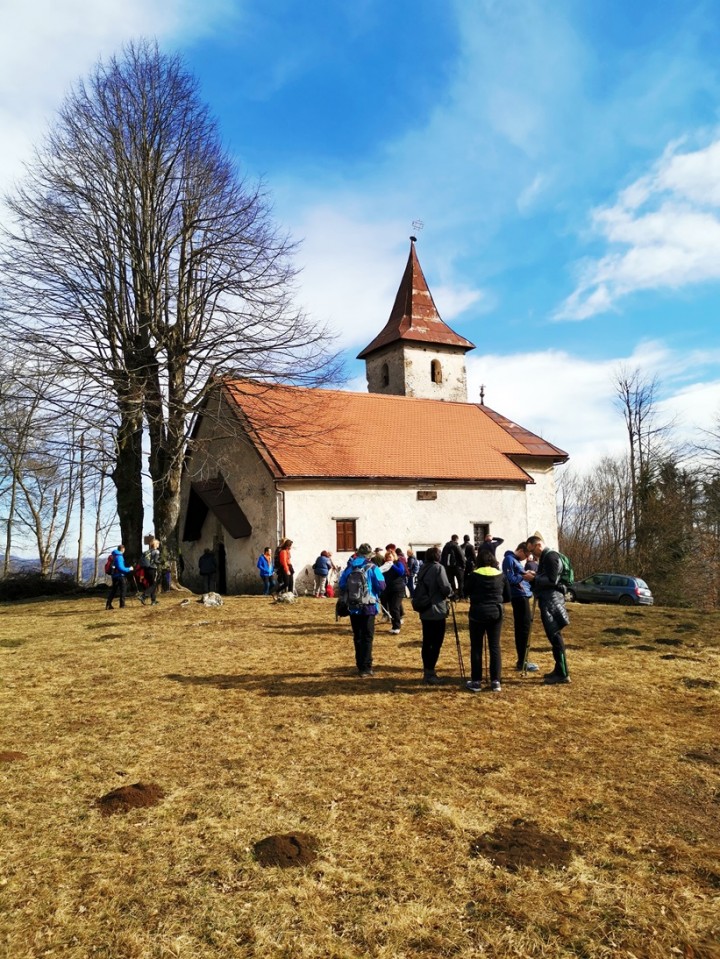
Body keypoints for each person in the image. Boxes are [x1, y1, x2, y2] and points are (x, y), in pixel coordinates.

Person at [525, 535, 571, 684]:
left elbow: (552, 580)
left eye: (533, 550)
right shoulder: (545, 558)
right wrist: (537, 576)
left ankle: (563, 673)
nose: (533, 555)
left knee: (555, 636)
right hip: (549, 599)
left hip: (553, 601)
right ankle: (559, 669)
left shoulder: (550, 557)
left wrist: (534, 579)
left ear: (538, 545)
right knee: (553, 637)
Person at [338, 543, 386, 677]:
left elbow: (342, 585)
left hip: (353, 606)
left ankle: (359, 665)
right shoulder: (373, 568)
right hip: (369, 605)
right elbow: (382, 586)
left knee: (357, 636)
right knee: (367, 637)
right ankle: (366, 667)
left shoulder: (350, 567)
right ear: (369, 556)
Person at [465, 549, 507, 692]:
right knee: (494, 647)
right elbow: (507, 595)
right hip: (496, 612)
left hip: (477, 613)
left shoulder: (474, 575)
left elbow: (466, 591)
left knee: (476, 647)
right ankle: (496, 681)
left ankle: (476, 681)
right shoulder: (501, 575)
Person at [413, 545, 452, 684]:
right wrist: (451, 592)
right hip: (436, 609)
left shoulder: (423, 568)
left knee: (427, 641)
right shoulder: (438, 568)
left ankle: (427, 670)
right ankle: (431, 672)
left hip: (425, 609)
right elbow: (445, 587)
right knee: (436, 642)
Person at [502, 543, 539, 672]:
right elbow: (509, 579)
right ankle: (522, 661)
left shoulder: (516, 561)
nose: (527, 558)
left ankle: (523, 659)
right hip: (518, 596)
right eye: (527, 555)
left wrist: (526, 572)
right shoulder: (509, 559)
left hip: (524, 595)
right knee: (523, 629)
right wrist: (523, 576)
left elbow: (518, 574)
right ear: (521, 551)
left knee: (525, 628)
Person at [382, 547, 407, 635]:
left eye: (391, 556)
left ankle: (397, 626)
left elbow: (401, 572)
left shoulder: (398, 563)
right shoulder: (384, 565)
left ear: (394, 557)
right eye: (388, 557)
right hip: (388, 589)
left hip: (398, 589)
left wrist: (392, 565)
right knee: (391, 608)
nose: (389, 558)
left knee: (394, 607)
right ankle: (394, 625)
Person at [105, 545, 134, 609]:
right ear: (123, 549)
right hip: (120, 576)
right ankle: (122, 605)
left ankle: (108, 604)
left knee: (114, 590)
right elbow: (121, 568)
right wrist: (129, 569)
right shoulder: (119, 556)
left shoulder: (114, 556)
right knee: (123, 589)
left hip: (114, 575)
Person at [441, 534, 466, 598]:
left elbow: (442, 556)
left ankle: (453, 595)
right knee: (460, 581)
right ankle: (461, 595)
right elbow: (461, 556)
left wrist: (444, 566)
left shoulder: (446, 546)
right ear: (457, 539)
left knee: (451, 581)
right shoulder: (456, 546)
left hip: (448, 567)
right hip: (457, 567)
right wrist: (463, 565)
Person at [139, 538, 161, 606]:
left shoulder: (147, 551)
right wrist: (161, 562)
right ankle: (143, 596)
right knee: (154, 585)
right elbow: (155, 561)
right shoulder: (156, 551)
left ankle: (153, 600)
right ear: (155, 544)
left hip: (146, 569)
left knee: (151, 584)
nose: (158, 545)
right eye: (158, 543)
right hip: (152, 569)